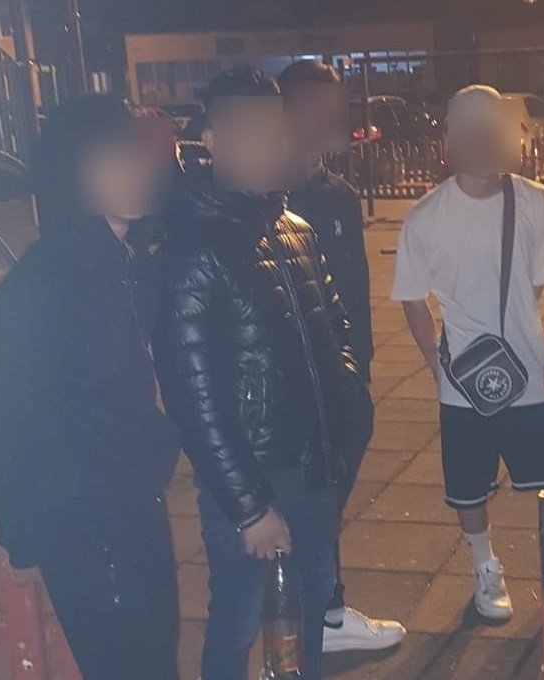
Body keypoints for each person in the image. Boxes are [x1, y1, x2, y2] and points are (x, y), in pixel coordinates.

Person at [153, 67, 373, 680]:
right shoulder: (193, 249)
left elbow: (337, 326)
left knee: (311, 600)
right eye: (249, 132)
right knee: (240, 617)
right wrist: (249, 507)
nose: (269, 147)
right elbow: (193, 397)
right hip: (252, 474)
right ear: (212, 141)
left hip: (314, 464)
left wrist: (349, 405)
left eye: (276, 131)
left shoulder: (294, 228)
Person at [0, 94, 181, 680]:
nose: (135, 169)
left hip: (135, 503)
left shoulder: (127, 263)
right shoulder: (43, 284)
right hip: (85, 520)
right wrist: (18, 535)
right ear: (72, 174)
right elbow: (11, 418)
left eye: (134, 154)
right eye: (112, 158)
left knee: (156, 659)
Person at [391, 85, 544, 621]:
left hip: (530, 368)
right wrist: (437, 365)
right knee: (467, 487)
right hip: (461, 378)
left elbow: (535, 283)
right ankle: (485, 566)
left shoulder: (535, 202)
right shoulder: (426, 216)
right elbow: (412, 299)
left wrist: (513, 326)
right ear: (450, 139)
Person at [278, 59, 406, 653]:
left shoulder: (340, 195)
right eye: (315, 109)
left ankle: (321, 610)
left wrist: (363, 363)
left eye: (335, 110)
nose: (328, 123)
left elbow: (353, 287)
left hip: (346, 373)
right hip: (293, 378)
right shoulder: (266, 195)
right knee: (307, 500)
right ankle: (318, 614)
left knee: (327, 498)